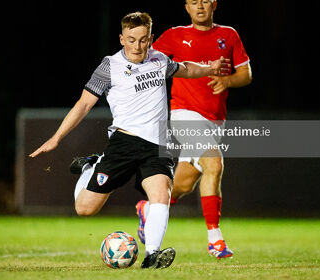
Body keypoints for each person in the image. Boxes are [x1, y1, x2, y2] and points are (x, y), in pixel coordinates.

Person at [29, 11, 229, 268]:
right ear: (122, 39)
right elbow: (83, 104)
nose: (138, 46)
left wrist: (210, 68)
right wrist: (56, 137)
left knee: (161, 193)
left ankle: (152, 256)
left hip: (157, 146)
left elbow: (186, 69)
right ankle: (92, 165)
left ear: (151, 38)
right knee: (85, 209)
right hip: (124, 144)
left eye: (144, 40)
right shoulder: (109, 66)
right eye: (132, 39)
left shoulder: (159, 60)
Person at [136, 0, 252, 259]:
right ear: (186, 7)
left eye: (203, 1)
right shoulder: (175, 35)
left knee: (182, 185)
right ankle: (215, 240)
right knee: (214, 164)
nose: (199, 6)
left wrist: (228, 79)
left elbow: (246, 74)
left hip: (215, 120)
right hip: (184, 113)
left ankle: (147, 208)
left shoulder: (228, 35)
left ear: (213, 4)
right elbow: (143, 59)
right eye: (193, 1)